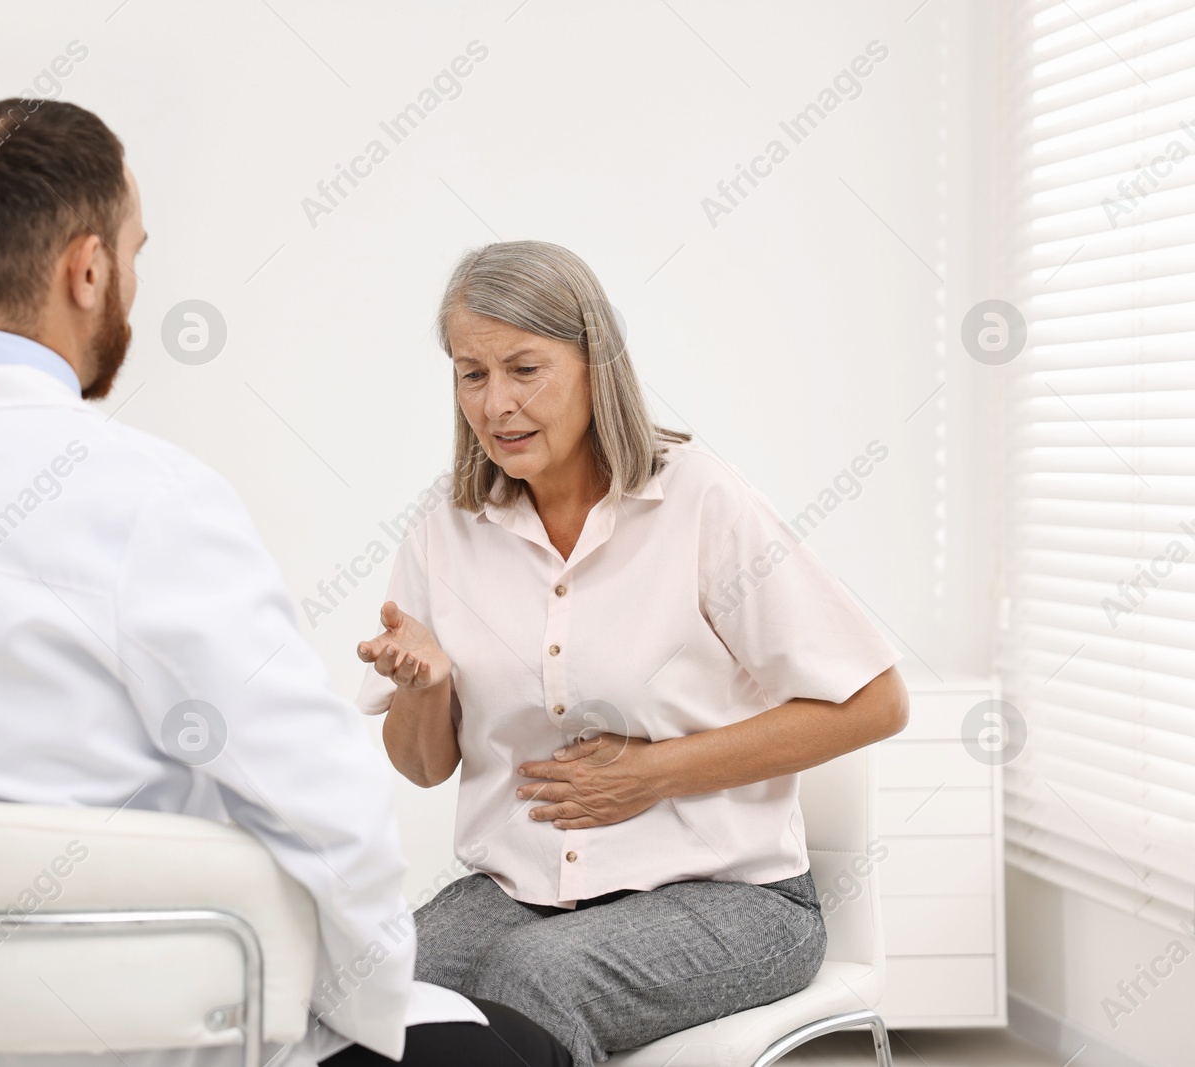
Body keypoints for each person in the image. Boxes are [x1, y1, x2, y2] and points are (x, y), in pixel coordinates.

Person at [0, 99, 571, 1067]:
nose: (133, 284)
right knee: (519, 1046)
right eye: (134, 254)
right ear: (88, 268)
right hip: (142, 1037)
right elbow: (324, 804)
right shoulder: (141, 493)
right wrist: (372, 1005)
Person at [354, 240, 910, 1067]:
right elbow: (422, 766)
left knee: (533, 980)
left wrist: (654, 772)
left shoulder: (699, 500)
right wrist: (425, 688)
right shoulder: (448, 525)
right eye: (473, 374)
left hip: (734, 900)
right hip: (525, 890)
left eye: (524, 368)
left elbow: (877, 702)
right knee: (365, 986)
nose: (497, 403)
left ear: (595, 363)